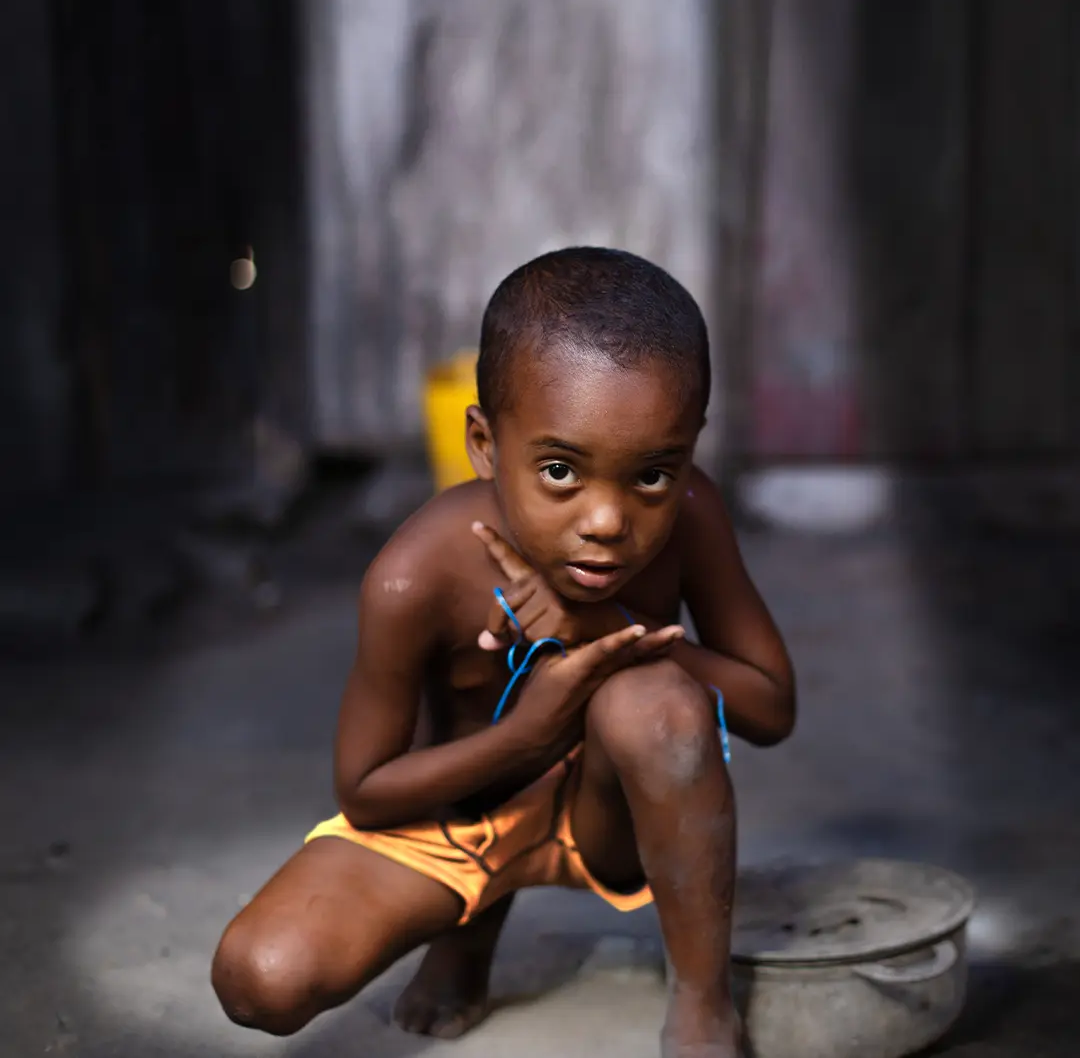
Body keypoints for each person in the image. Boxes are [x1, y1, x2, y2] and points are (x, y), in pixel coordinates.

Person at [211, 247, 796, 1057]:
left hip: (611, 814)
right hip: (454, 818)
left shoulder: (694, 517)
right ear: (485, 443)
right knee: (259, 975)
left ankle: (702, 1006)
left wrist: (604, 631)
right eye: (560, 470)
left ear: (691, 448)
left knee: (654, 704)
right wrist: (529, 733)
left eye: (653, 475)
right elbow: (369, 792)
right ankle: (467, 932)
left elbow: (770, 706)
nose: (607, 521)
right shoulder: (414, 577)